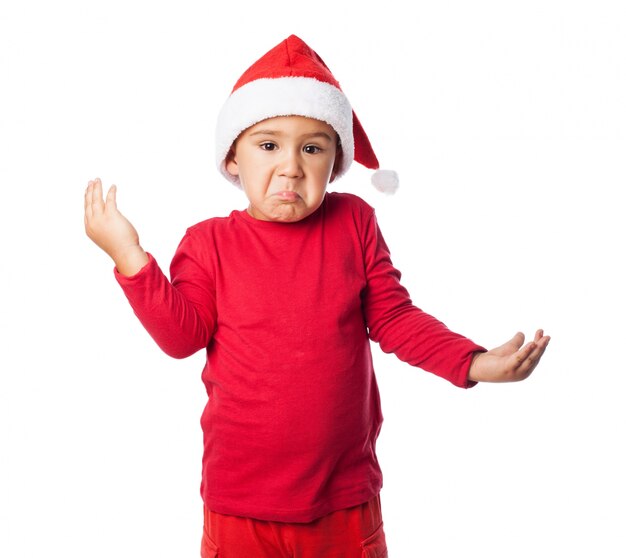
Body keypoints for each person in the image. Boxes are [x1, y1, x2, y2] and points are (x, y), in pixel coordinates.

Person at [84, 35, 550, 558]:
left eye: (312, 147)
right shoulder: (208, 241)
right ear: (232, 158)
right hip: (240, 502)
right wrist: (129, 257)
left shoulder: (354, 221)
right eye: (268, 145)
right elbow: (181, 337)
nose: (291, 166)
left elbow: (394, 319)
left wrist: (474, 362)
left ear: (336, 160)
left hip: (343, 501)